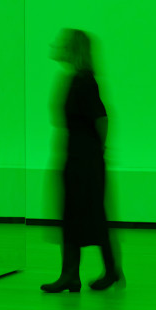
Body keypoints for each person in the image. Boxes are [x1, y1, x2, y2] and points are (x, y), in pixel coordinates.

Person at [41, 28, 123, 292]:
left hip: (85, 161)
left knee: (91, 215)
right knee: (73, 215)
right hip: (75, 157)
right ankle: (71, 274)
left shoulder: (85, 81)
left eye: (64, 44)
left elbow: (102, 119)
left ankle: (109, 270)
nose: (58, 46)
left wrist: (98, 150)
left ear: (73, 49)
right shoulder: (74, 79)